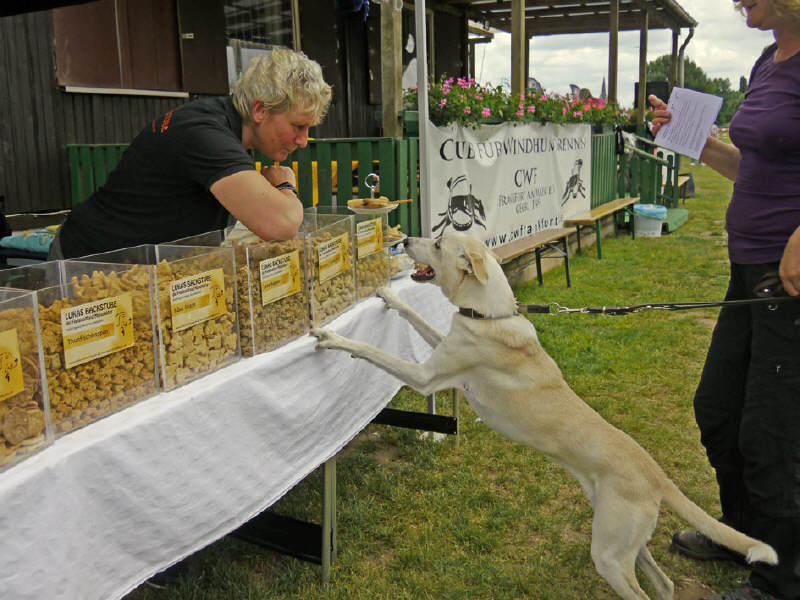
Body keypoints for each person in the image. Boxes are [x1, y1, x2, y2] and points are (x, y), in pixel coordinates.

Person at [649, 1, 800, 599]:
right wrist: (696, 140)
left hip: (789, 278)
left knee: (773, 429)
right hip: (750, 271)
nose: (739, 1)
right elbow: (749, 168)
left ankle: (781, 578)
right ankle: (744, 535)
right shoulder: (768, 60)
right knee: (719, 408)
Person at [50, 48, 331, 259]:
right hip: (86, 265)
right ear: (260, 110)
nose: (303, 140)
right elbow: (280, 224)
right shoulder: (205, 133)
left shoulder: (227, 128)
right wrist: (285, 186)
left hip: (137, 268)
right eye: (298, 126)